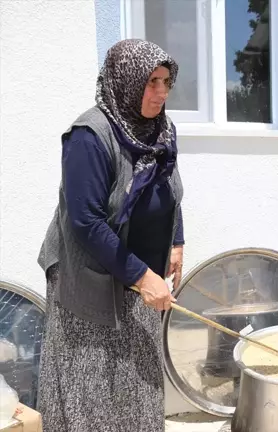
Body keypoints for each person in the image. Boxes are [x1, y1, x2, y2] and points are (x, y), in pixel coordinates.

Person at [36, 39, 184, 432]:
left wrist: (176, 243)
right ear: (127, 82)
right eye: (151, 82)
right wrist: (141, 275)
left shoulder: (162, 129)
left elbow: (169, 188)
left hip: (140, 278)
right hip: (91, 275)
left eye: (166, 82)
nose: (161, 92)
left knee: (138, 382)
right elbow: (87, 223)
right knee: (94, 387)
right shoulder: (89, 136)